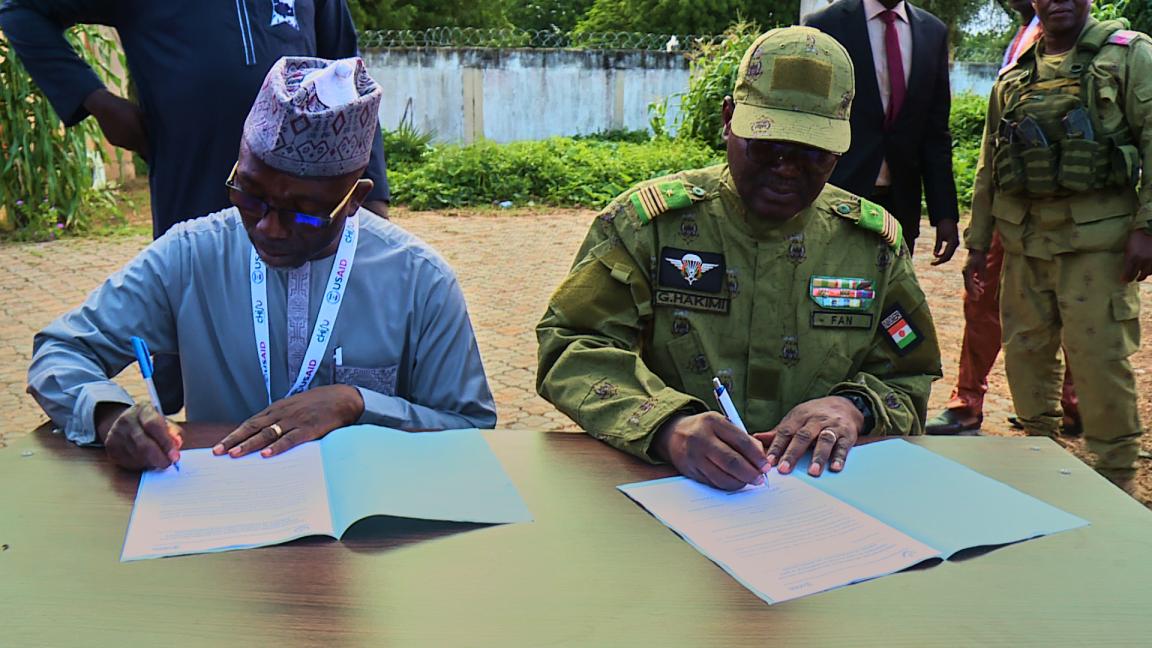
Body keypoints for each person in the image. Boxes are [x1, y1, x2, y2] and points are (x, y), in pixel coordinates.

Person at [27, 57, 495, 472]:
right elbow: (59, 353)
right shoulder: (192, 255)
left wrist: (358, 404)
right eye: (250, 196)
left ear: (355, 200)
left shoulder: (419, 279)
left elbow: (472, 427)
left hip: (370, 541)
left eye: (304, 212)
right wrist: (108, 415)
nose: (269, 228)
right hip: (223, 523)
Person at [536, 27, 942, 491]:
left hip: (821, 501)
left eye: (813, 153)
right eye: (767, 144)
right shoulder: (649, 226)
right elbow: (572, 345)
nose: (787, 167)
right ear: (729, 120)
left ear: (840, 148)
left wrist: (854, 408)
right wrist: (667, 426)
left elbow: (909, 374)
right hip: (668, 487)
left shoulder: (872, 247)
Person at [0, 0, 393, 414]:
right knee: (204, 359)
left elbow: (352, 78)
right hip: (196, 189)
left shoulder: (417, 275)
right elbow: (19, 9)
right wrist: (97, 102)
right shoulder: (186, 252)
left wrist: (374, 198)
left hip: (308, 214)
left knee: (320, 352)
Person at [962, 0, 1152, 495]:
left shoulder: (1130, 58)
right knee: (1024, 353)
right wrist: (978, 244)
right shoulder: (1014, 77)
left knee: (1099, 359)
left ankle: (1116, 478)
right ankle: (1040, 463)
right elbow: (990, 167)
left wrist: (1147, 226)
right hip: (1025, 243)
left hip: (1098, 245)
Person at [926, 0, 1080, 436]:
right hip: (1011, 202)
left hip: (1064, 208)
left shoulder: (1078, 37)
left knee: (1071, 302)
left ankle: (1072, 402)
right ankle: (968, 399)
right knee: (982, 297)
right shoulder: (1027, 34)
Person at [803, 0, 960, 262]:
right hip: (836, 198)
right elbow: (809, 119)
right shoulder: (826, 25)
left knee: (890, 297)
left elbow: (935, 135)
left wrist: (945, 214)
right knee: (829, 294)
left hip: (900, 205)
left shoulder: (932, 32)